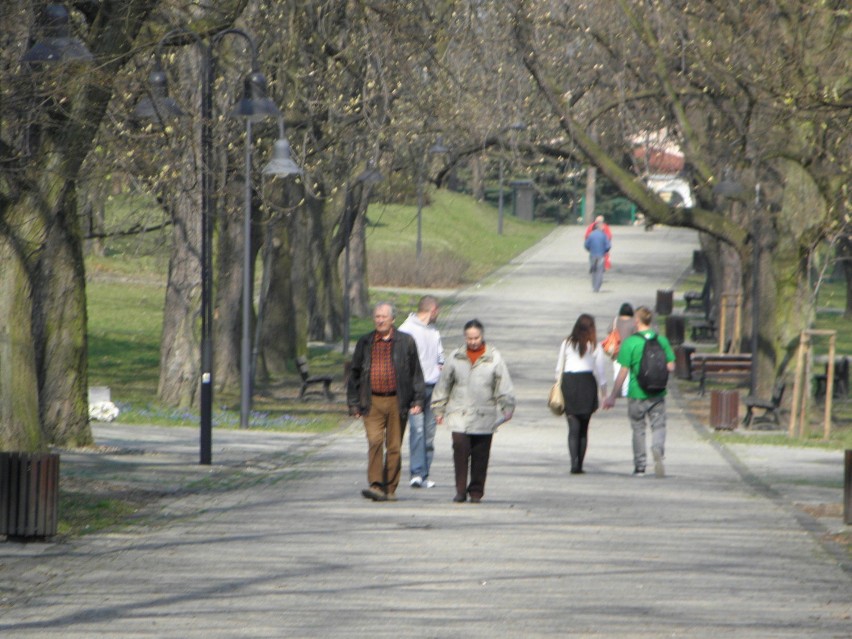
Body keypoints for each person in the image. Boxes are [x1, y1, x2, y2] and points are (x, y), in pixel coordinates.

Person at [348, 302, 425, 502]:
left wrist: (418, 399)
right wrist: (354, 403)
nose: (380, 320)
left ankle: (389, 487)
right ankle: (375, 485)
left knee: (393, 447)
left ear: (392, 319)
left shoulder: (405, 342)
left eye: (384, 317)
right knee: (374, 441)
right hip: (371, 400)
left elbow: (416, 373)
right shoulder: (365, 342)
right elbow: (354, 374)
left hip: (397, 400)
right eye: (377, 317)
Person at [432, 319, 515, 503]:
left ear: (482, 336)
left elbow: (503, 385)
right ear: (465, 337)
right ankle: (460, 491)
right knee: (460, 451)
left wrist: (507, 406)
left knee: (480, 455)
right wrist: (439, 409)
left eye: (476, 338)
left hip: (484, 415)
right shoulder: (455, 357)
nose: (473, 341)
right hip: (459, 414)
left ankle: (476, 491)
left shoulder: (494, 357)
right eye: (469, 338)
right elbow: (443, 385)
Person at [602, 306, 675, 477]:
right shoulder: (662, 341)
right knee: (659, 425)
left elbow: (623, 372)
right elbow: (671, 366)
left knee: (638, 429)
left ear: (637, 321)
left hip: (636, 392)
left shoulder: (630, 343)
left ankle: (640, 466)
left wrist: (613, 395)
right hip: (657, 392)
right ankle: (657, 448)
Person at [399, 295, 444, 489]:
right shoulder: (407, 330)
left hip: (433, 388)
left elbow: (440, 356)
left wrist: (441, 366)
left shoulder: (434, 331)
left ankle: (425, 474)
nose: (438, 315)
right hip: (414, 389)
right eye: (438, 312)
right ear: (432, 310)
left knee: (429, 434)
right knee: (417, 431)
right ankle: (416, 473)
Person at [555, 314, 607, 474]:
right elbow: (600, 372)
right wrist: (604, 394)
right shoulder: (595, 346)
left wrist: (558, 384)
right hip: (587, 384)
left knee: (573, 429)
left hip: (569, 383)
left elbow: (559, 368)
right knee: (584, 429)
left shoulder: (567, 343)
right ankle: (580, 464)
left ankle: (573, 463)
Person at [611, 303, 635, 397]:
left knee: (617, 370)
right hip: (629, 350)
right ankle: (625, 392)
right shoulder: (633, 322)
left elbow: (609, 330)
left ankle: (617, 391)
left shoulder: (616, 320)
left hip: (616, 350)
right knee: (627, 372)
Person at [584, 221, 611, 292]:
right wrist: (605, 251)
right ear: (600, 227)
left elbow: (586, 245)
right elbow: (608, 246)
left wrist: (590, 250)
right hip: (601, 255)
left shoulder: (591, 235)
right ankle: (597, 287)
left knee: (594, 270)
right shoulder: (604, 235)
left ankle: (593, 285)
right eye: (603, 227)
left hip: (592, 255)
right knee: (599, 271)